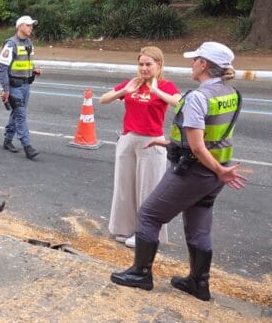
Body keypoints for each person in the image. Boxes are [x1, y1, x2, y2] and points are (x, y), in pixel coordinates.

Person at [110, 41, 247, 302]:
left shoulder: (197, 97)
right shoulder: (231, 93)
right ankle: (198, 282)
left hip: (195, 171)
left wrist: (218, 169)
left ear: (204, 65)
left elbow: (197, 146)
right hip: (214, 174)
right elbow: (212, 136)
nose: (192, 64)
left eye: (195, 60)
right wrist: (170, 143)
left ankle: (141, 273)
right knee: (198, 226)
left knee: (148, 215)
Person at [100, 46, 181, 248]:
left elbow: (179, 103)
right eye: (141, 64)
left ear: (158, 64)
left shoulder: (166, 85)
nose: (144, 68)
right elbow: (103, 99)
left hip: (151, 142)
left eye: (148, 64)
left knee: (149, 189)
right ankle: (123, 228)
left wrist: (156, 91)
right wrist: (124, 91)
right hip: (128, 139)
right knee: (124, 187)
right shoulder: (133, 83)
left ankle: (145, 233)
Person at [0, 15, 42, 160]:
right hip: (14, 86)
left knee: (16, 113)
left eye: (31, 25)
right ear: (20, 26)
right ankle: (27, 147)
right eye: (28, 25)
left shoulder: (29, 42)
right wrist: (6, 89)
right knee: (21, 115)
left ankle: (7, 140)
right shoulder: (11, 44)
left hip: (26, 85)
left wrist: (34, 70)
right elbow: (2, 69)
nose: (31, 28)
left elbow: (27, 62)